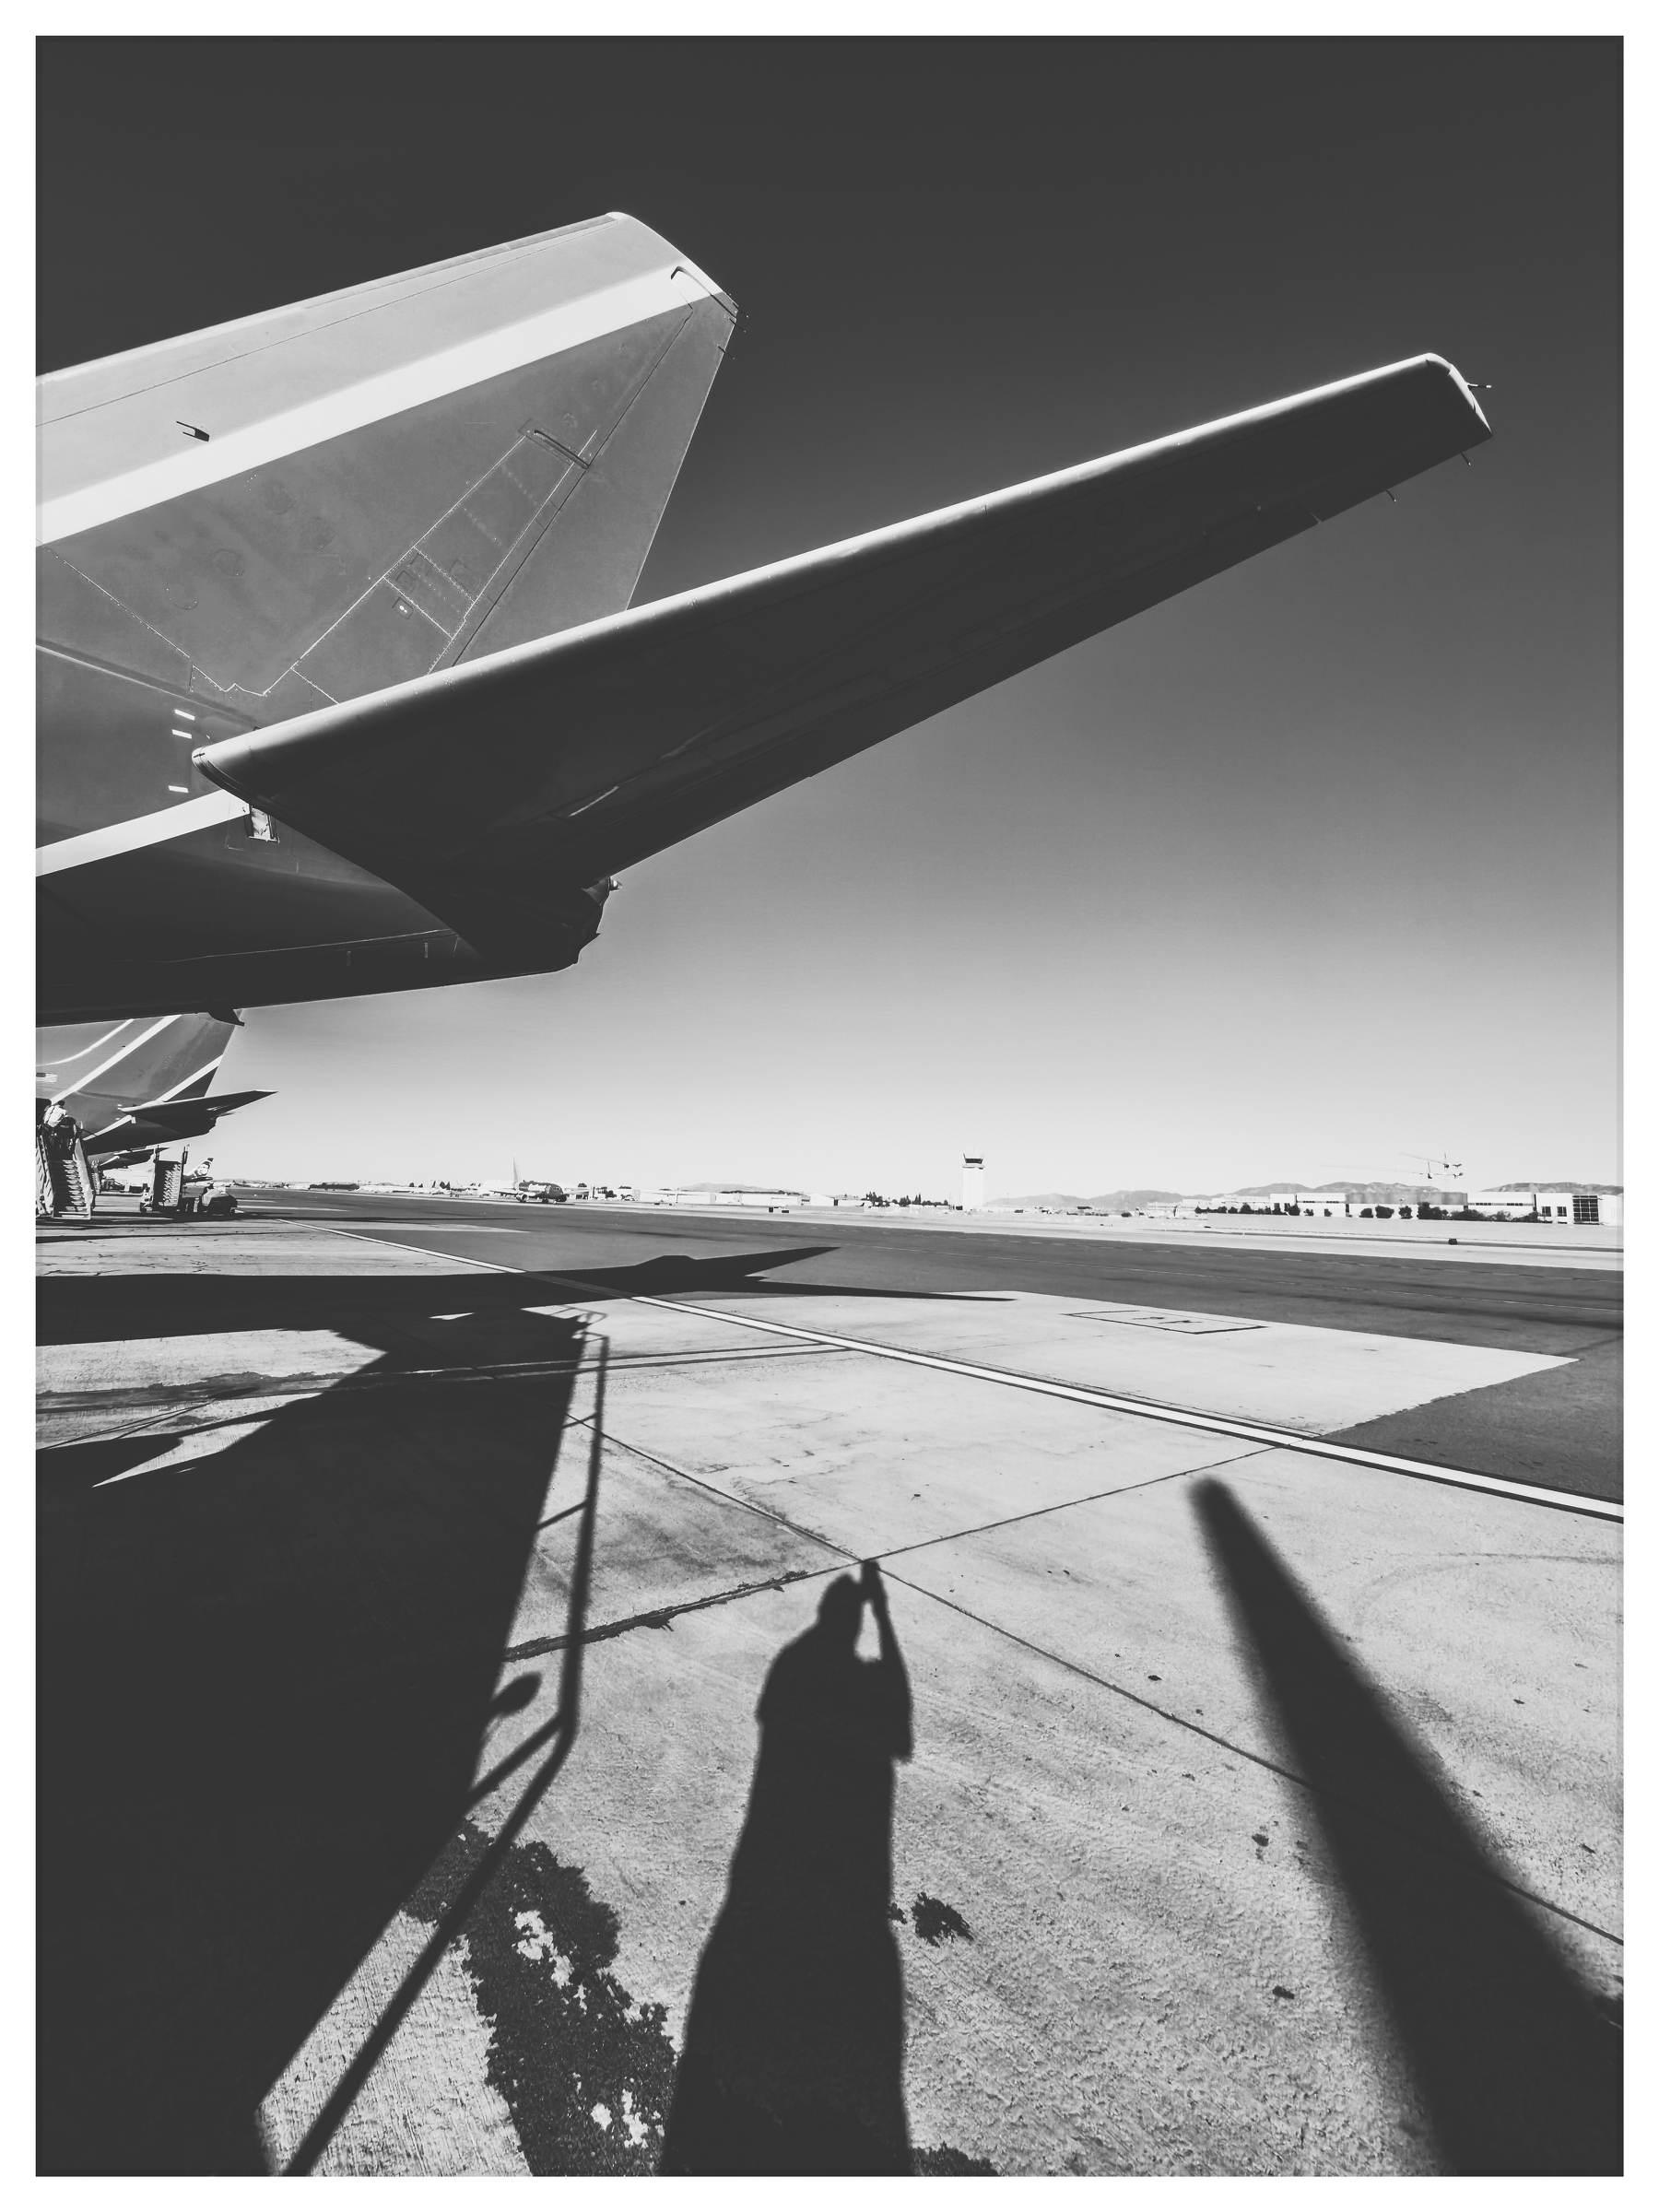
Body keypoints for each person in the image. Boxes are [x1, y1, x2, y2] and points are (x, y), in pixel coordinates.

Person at [661, 1562, 913, 2174]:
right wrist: (884, 1618)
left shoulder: (790, 1666)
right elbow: (899, 1733)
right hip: (846, 1876)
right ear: (851, 1619)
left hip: (769, 1860)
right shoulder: (830, 1671)